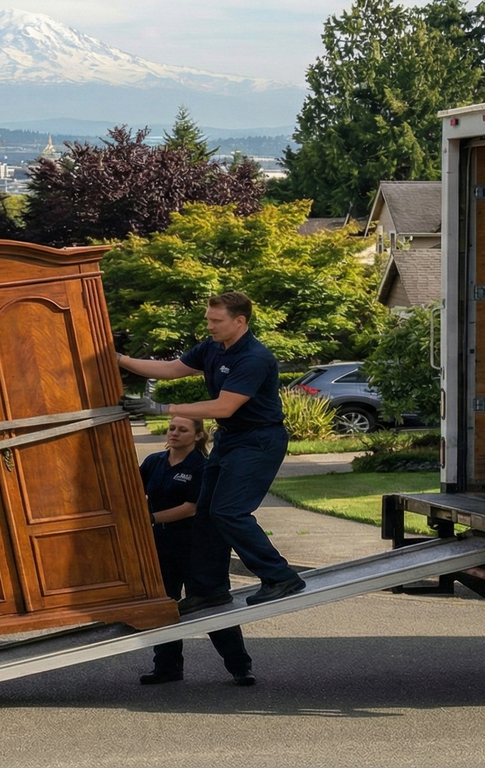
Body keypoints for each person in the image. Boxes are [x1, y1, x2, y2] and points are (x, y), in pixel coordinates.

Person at [119, 291, 306, 608]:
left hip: (258, 441)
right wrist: (118, 360)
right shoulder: (213, 348)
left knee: (229, 511)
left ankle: (280, 576)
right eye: (208, 318)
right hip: (231, 439)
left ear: (239, 321)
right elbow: (172, 368)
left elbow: (224, 407)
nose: (209, 325)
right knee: (205, 514)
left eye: (216, 321)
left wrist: (161, 408)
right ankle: (209, 589)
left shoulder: (254, 358)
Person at [139, 415, 255, 686]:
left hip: (198, 547)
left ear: (198, 436)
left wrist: (151, 518)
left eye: (183, 429)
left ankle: (240, 667)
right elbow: (134, 491)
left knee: (212, 605)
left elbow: (192, 507)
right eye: (172, 428)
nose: (175, 433)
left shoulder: (202, 467)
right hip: (161, 545)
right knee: (164, 607)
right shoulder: (154, 462)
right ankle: (167, 667)